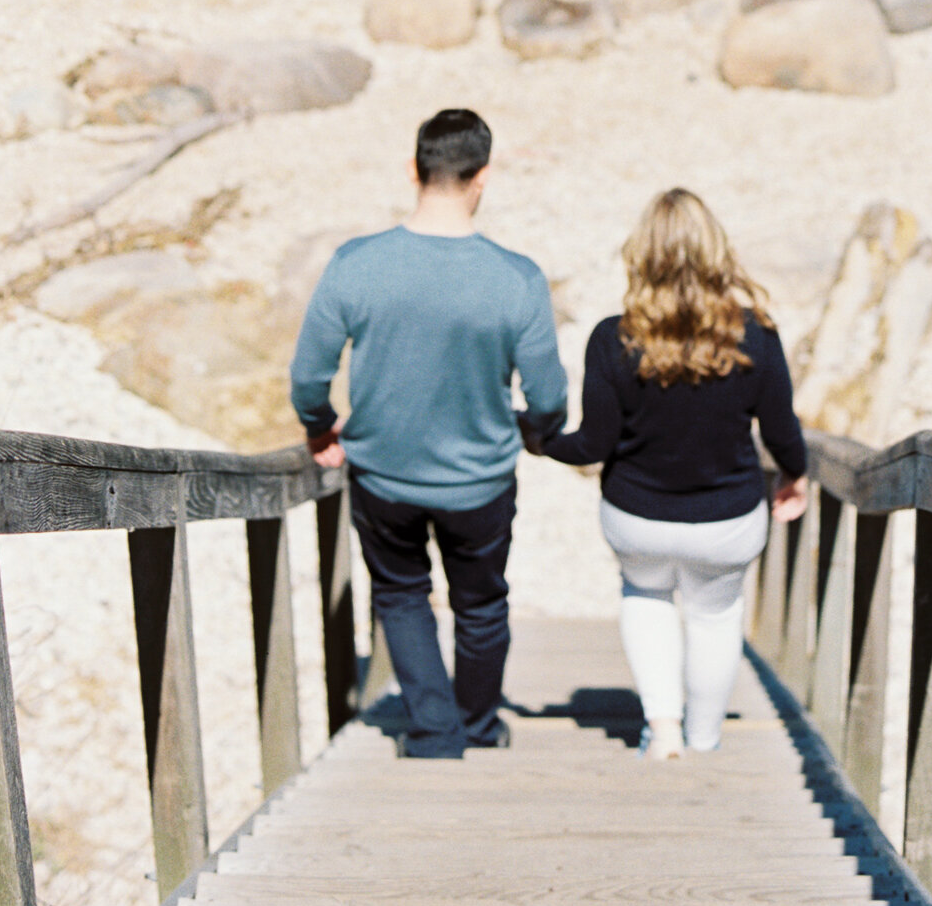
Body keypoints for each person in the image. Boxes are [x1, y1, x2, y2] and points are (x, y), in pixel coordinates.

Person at [289, 107, 568, 759]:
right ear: (483, 177)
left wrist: (318, 427)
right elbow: (550, 396)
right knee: (480, 605)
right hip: (479, 480)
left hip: (384, 471)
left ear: (414, 170)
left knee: (400, 594)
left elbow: (309, 374)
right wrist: (531, 431)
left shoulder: (356, 263)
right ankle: (476, 725)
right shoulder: (516, 277)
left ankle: (435, 731)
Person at [546, 187, 806, 759]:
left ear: (642, 255)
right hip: (727, 517)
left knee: (646, 597)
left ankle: (662, 731)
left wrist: (539, 440)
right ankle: (704, 736)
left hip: (636, 515)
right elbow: (782, 428)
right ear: (717, 253)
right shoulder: (755, 334)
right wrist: (796, 475)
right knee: (714, 617)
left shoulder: (612, 337)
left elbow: (593, 444)